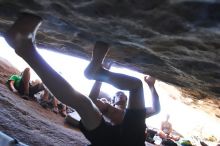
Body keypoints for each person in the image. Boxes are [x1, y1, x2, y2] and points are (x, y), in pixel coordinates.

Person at [4, 12, 160, 146]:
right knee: (91, 101)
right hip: (129, 140)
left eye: (120, 95)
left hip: (114, 140)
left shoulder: (125, 111)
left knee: (131, 87)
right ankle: (25, 47)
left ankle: (98, 73)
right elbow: (87, 102)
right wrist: (151, 85)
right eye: (119, 94)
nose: (120, 94)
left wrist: (150, 86)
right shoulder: (126, 112)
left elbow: (90, 100)